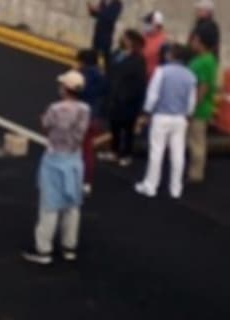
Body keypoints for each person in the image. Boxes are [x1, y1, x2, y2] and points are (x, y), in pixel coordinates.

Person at [22, 70, 89, 265]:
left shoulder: (55, 108)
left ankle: (43, 249)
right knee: (72, 205)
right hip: (75, 159)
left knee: (49, 206)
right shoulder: (85, 109)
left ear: (66, 89)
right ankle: (69, 247)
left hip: (55, 159)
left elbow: (46, 124)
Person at [135, 45, 197, 199]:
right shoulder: (190, 76)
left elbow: (153, 95)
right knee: (178, 153)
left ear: (173, 55)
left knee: (156, 151)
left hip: (161, 116)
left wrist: (147, 111)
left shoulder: (162, 71)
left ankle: (150, 186)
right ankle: (176, 188)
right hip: (180, 119)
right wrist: (188, 114)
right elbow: (191, 101)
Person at [101, 29, 147, 167]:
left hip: (128, 101)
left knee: (127, 129)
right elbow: (109, 70)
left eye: (125, 38)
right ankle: (114, 151)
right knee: (114, 126)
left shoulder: (138, 60)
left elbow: (139, 82)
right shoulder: (117, 54)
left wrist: (130, 98)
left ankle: (126, 154)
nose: (122, 39)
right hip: (113, 97)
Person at [187, 31, 219, 183]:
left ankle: (196, 174)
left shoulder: (204, 62)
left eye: (195, 40)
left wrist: (192, 107)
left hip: (198, 109)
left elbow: (203, 86)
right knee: (193, 139)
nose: (192, 43)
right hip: (198, 106)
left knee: (197, 142)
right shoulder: (206, 59)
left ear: (202, 43)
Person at [76, 49, 106, 195]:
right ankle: (87, 181)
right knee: (88, 151)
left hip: (82, 117)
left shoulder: (84, 75)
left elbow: (80, 91)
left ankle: (77, 178)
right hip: (95, 116)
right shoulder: (101, 75)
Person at [87, 0, 123, 69]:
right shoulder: (103, 0)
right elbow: (98, 14)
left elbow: (111, 17)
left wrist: (99, 11)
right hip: (98, 31)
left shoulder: (117, 4)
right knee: (94, 53)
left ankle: (108, 73)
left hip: (107, 33)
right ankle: (92, 69)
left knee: (106, 55)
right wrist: (92, 11)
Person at [142, 11, 168, 80]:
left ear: (157, 25)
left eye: (148, 23)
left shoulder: (163, 41)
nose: (145, 25)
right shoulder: (144, 36)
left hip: (152, 78)